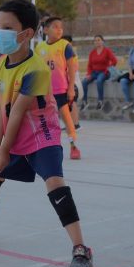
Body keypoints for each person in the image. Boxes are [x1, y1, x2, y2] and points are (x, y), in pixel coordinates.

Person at [0, 0, 93, 267]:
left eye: (7, 28)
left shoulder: (36, 68)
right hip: (16, 137)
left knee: (55, 184)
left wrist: (4, 148)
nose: (0, 33)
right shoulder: (1, 65)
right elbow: (1, 112)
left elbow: (18, 114)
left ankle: (81, 248)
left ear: (26, 33)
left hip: (42, 137)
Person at [35, 17, 81, 160]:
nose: (59, 29)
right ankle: (46, 147)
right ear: (46, 30)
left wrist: (71, 88)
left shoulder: (65, 45)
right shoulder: (39, 48)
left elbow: (72, 67)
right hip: (44, 91)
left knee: (67, 120)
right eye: (55, 26)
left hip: (61, 90)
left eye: (61, 27)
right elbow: (37, 70)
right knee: (44, 121)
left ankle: (73, 147)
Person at [81, 35, 117, 111]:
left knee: (99, 81)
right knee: (84, 82)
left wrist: (108, 68)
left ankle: (100, 101)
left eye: (98, 40)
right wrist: (89, 74)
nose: (97, 42)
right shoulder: (92, 53)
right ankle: (85, 101)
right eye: (95, 40)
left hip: (104, 72)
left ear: (102, 41)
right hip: (94, 73)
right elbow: (89, 65)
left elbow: (114, 61)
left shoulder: (107, 51)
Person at [62, 35, 81, 130]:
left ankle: (76, 124)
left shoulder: (72, 54)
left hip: (73, 83)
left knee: (72, 103)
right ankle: (70, 124)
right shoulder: (65, 53)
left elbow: (73, 68)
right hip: (67, 82)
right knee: (67, 104)